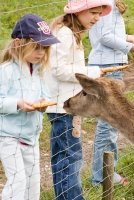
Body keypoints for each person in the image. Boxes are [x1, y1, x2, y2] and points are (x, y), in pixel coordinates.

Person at [46, 0, 112, 199]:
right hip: (65, 106)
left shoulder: (70, 32)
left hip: (64, 104)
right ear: (79, 11)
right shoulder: (65, 34)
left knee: (64, 158)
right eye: (93, 12)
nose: (97, 18)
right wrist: (91, 72)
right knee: (71, 158)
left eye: (99, 13)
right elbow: (59, 69)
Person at [88, 0, 134, 187]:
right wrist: (133, 48)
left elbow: (106, 33)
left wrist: (127, 37)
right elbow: (105, 37)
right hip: (108, 66)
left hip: (111, 63)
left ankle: (107, 173)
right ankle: (101, 177)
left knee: (111, 123)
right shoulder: (105, 1)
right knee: (108, 124)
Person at [0, 13, 60, 200]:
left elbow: (46, 95)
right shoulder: (6, 70)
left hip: (31, 136)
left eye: (44, 47)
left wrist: (43, 103)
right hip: (8, 136)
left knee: (32, 187)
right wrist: (17, 104)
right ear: (19, 44)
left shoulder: (39, 70)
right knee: (18, 183)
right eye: (36, 47)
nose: (41, 52)